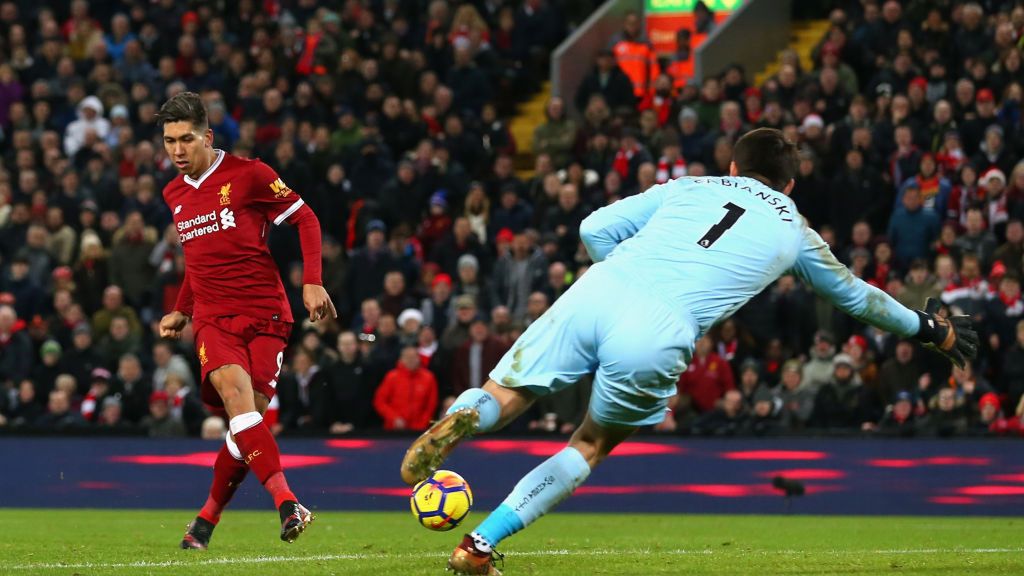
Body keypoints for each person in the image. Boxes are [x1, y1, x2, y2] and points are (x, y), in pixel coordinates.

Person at [399, 128, 979, 575]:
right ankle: (480, 544)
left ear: (732, 168)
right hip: (661, 325)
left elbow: (594, 227)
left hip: (602, 286)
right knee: (591, 442)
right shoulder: (795, 229)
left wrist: (619, 276)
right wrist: (929, 329)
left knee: (510, 392)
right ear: (791, 187)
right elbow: (857, 297)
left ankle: (467, 414)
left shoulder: (690, 185)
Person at [154, 92, 336, 550]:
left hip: (268, 315)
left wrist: (311, 281)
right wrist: (183, 308)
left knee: (245, 423)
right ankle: (287, 502)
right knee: (238, 402)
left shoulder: (250, 175)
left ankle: (205, 520)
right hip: (214, 320)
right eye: (169, 141)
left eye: (186, 139)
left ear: (208, 137)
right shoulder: (173, 193)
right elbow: (198, 259)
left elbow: (307, 219)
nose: (177, 150)